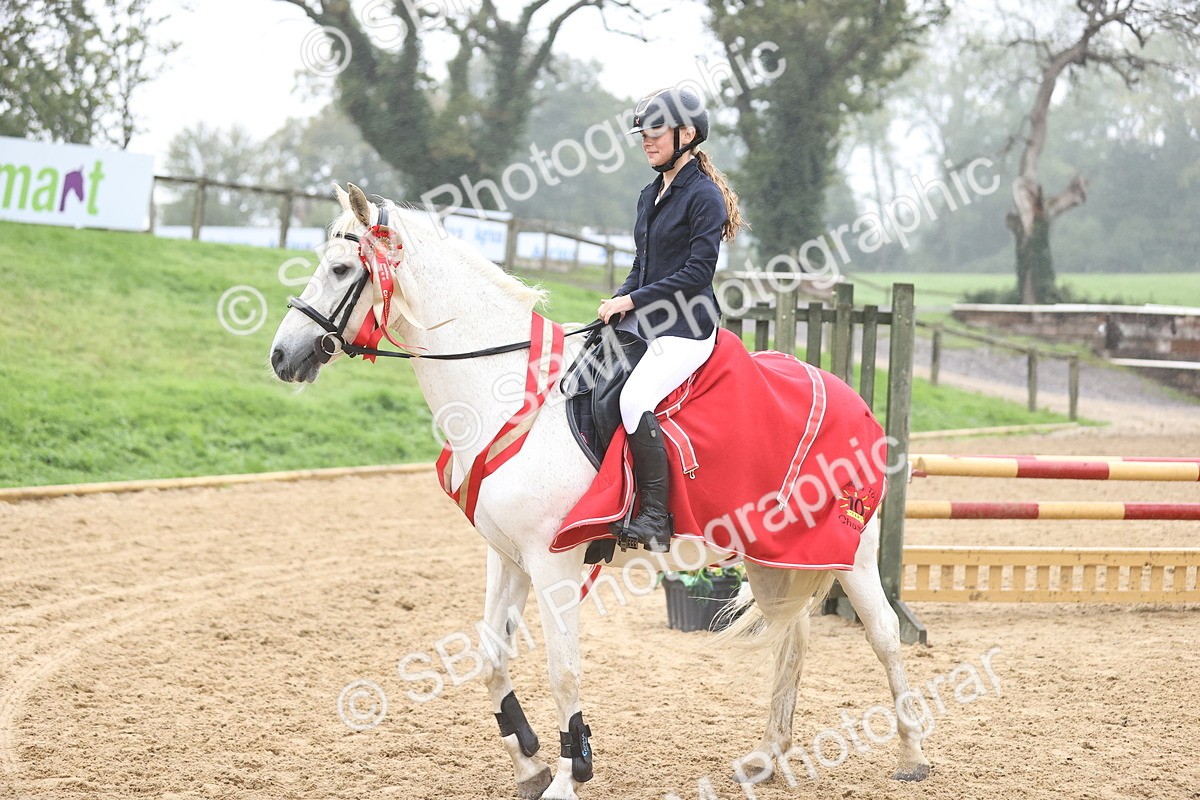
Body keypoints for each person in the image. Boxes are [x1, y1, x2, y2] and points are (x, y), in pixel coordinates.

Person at [596, 86, 746, 552]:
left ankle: (656, 517)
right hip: (645, 323)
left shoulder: (703, 196)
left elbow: (698, 271)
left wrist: (635, 302)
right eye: (642, 132)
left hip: (686, 329)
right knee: (589, 379)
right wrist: (618, 300)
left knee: (634, 397)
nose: (646, 140)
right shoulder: (649, 194)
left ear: (686, 134)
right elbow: (643, 265)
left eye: (655, 131)